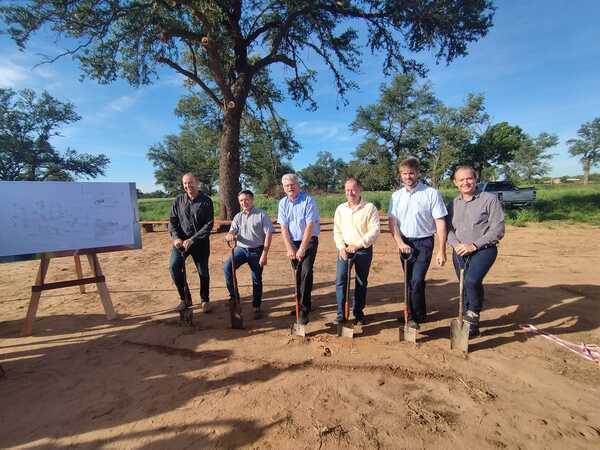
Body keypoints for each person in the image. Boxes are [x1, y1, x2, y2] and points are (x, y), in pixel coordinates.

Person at [388, 158, 448, 328]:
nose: (408, 176)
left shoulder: (431, 193)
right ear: (401, 175)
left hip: (424, 243)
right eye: (405, 173)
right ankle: (414, 313)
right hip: (405, 243)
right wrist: (399, 242)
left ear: (418, 173)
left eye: (411, 173)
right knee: (409, 280)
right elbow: (392, 222)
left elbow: (440, 222)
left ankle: (414, 317)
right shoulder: (396, 196)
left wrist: (441, 249)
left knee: (417, 280)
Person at [447, 165, 505, 338]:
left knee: (472, 280)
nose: (465, 182)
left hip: (483, 249)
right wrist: (455, 244)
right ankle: (466, 316)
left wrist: (474, 245)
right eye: (461, 180)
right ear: (455, 183)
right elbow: (447, 228)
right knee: (463, 284)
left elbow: (498, 228)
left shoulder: (489, 200)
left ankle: (473, 314)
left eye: (469, 178)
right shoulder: (453, 204)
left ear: (476, 179)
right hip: (459, 250)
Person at [333, 177, 380, 325]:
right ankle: (341, 314)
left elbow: (374, 231)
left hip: (363, 250)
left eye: (353, 189)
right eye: (347, 190)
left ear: (360, 189)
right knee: (341, 280)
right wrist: (341, 247)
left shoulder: (370, 208)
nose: (350, 192)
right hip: (344, 250)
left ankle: (358, 313)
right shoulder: (341, 209)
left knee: (361, 282)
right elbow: (337, 231)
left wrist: (357, 245)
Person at [224, 190, 274, 319]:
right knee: (227, 267)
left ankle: (256, 306)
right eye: (241, 200)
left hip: (257, 250)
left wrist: (265, 254)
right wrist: (230, 235)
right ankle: (234, 297)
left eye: (246, 199)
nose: (244, 202)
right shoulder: (238, 217)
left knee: (256, 278)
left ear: (252, 200)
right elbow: (233, 231)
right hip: (240, 250)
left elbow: (268, 235)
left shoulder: (262, 215)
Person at [277, 173, 320, 325]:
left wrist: (302, 248)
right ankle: (298, 303)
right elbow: (283, 227)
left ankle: (304, 309)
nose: (290, 188)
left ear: (298, 185)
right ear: (283, 188)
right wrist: (289, 247)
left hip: (309, 241)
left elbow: (310, 226)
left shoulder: (308, 200)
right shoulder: (282, 203)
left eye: (292, 184)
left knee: (306, 271)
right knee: (297, 272)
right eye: (287, 186)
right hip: (292, 241)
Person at [168, 172, 214, 312]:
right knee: (174, 267)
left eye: (190, 182)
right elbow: (172, 221)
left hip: (200, 243)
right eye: (185, 184)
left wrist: (193, 239)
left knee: (203, 272)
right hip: (181, 244)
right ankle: (185, 298)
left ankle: (205, 300)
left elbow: (209, 224)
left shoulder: (206, 201)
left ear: (197, 182)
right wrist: (176, 237)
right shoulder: (178, 201)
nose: (188, 186)